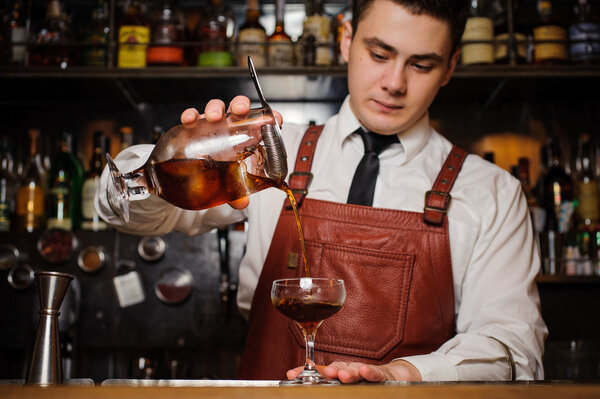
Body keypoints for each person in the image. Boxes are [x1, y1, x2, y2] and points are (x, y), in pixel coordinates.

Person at [96, 0, 547, 382]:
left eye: (421, 64)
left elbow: (514, 347)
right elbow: (131, 215)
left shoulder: (491, 192)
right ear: (347, 38)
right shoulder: (267, 153)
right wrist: (157, 173)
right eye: (379, 53)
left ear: (449, 67)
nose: (395, 82)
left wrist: (406, 373)